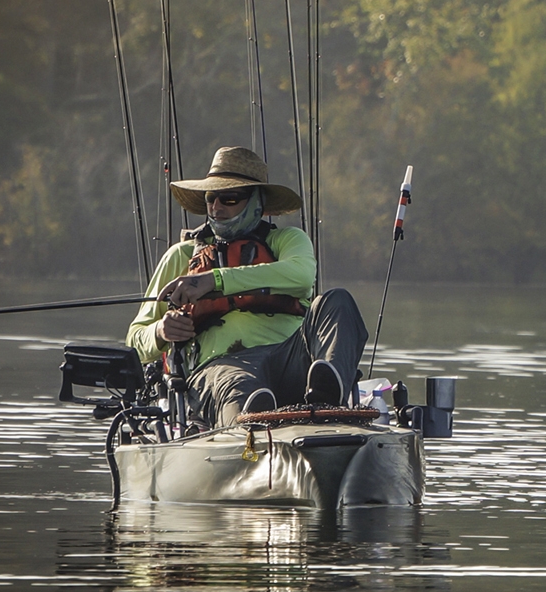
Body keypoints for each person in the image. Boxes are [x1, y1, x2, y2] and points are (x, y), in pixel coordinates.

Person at [126, 145, 366, 428]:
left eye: (229, 198)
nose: (216, 207)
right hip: (220, 370)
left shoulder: (288, 240)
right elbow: (134, 340)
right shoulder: (180, 256)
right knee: (241, 386)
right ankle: (251, 428)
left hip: (289, 359)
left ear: (257, 203)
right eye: (211, 197)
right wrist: (160, 331)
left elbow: (302, 276)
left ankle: (328, 398)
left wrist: (214, 280)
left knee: (338, 301)